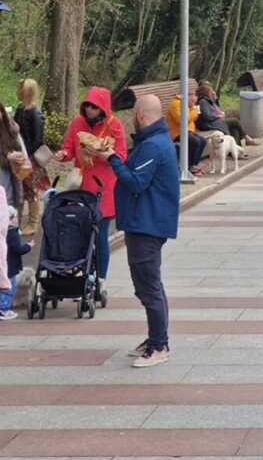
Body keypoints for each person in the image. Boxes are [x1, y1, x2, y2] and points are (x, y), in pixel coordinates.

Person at [84, 94, 180, 368]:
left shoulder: (155, 146)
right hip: (142, 222)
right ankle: (154, 338)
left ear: (139, 114)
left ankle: (160, 345)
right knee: (145, 285)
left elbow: (136, 182)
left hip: (148, 224)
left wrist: (112, 158)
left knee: (149, 286)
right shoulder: (152, 142)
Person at [54, 87, 126, 289]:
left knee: (100, 234)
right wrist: (63, 154)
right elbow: (68, 147)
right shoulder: (78, 123)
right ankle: (80, 272)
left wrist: (103, 154)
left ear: (103, 108)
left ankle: (100, 278)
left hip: (105, 187)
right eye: (86, 105)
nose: (89, 110)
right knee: (79, 231)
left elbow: (121, 155)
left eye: (93, 106)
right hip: (82, 186)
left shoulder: (114, 125)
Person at [14, 79, 48, 236]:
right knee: (21, 189)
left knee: (32, 190)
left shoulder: (35, 113)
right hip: (21, 156)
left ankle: (33, 222)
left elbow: (38, 139)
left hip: (31, 158)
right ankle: (18, 221)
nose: (19, 91)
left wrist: (26, 154)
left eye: (23, 89)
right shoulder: (20, 109)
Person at [195, 83, 255, 148]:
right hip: (208, 124)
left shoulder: (208, 101)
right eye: (210, 92)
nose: (211, 93)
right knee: (234, 121)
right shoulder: (203, 101)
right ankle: (247, 138)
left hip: (214, 122)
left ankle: (237, 150)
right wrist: (219, 116)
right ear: (206, 93)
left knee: (234, 129)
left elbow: (214, 111)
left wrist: (219, 112)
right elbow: (207, 116)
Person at [0, 207, 31, 320]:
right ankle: (4, 309)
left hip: (3, 263)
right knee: (8, 287)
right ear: (11, 218)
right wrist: (29, 246)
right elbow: (18, 249)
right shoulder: (12, 232)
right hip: (10, 264)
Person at [166, 94, 206, 175]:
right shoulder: (176, 104)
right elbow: (182, 120)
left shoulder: (187, 106)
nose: (194, 103)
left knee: (202, 140)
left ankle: (194, 165)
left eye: (195, 102)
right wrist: (194, 112)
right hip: (175, 133)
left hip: (186, 132)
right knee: (194, 141)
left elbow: (189, 119)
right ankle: (188, 166)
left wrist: (191, 109)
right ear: (187, 96)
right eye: (192, 101)